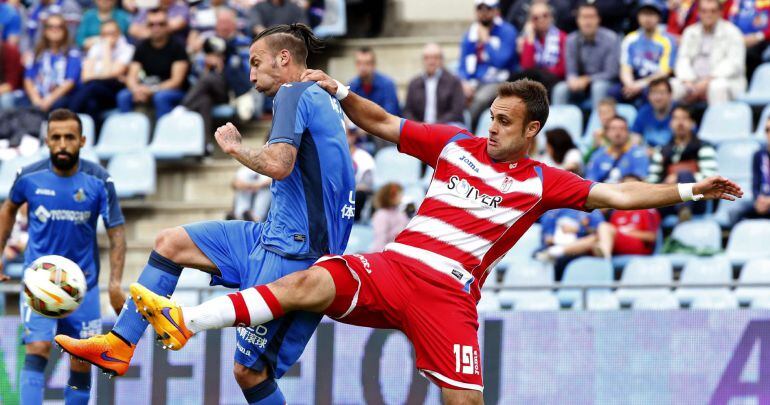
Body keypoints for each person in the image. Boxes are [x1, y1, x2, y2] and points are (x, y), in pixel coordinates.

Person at [130, 75, 742, 405]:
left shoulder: (541, 181)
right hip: (395, 267)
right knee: (304, 282)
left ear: (532, 129)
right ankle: (186, 320)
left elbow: (622, 195)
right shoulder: (453, 143)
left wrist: (691, 191)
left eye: (505, 122)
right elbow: (382, 123)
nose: (492, 128)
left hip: (448, 298)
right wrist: (339, 90)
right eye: (491, 117)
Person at [56, 24, 355, 405]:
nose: (250, 74)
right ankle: (118, 345)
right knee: (171, 243)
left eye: (255, 63)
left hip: (295, 254)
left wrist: (234, 148)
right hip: (272, 234)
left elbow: (280, 165)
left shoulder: (293, 93)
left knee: (249, 372)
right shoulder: (324, 95)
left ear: (284, 58)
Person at [0, 109, 126, 405]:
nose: (62, 144)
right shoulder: (29, 177)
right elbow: (7, 209)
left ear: (82, 140)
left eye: (69, 137)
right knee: (38, 347)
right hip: (39, 283)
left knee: (81, 358)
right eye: (56, 137)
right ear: (47, 141)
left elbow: (116, 231)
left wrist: (115, 284)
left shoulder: (99, 180)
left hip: (85, 286)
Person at [183, 8, 252, 137]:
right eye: (221, 22)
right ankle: (205, 147)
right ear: (216, 25)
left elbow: (247, 75)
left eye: (227, 22)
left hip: (233, 92)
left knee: (209, 78)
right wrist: (206, 65)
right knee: (204, 101)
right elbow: (194, 74)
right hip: (209, 92)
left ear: (235, 24)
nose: (224, 26)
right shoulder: (208, 43)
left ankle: (183, 107)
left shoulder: (244, 43)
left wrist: (222, 67)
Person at [117, 8, 189, 118]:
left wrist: (151, 90)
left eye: (161, 24)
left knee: (160, 97)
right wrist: (136, 89)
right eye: (151, 24)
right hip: (147, 88)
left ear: (167, 25)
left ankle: (165, 133)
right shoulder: (141, 47)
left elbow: (176, 82)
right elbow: (132, 76)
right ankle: (128, 132)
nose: (156, 28)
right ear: (147, 26)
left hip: (174, 91)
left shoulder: (177, 46)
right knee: (123, 96)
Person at [671, 0, 746, 105]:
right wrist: (688, 81)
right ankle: (675, 120)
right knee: (672, 85)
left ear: (720, 12)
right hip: (693, 81)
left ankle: (718, 121)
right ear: (698, 12)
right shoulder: (690, 32)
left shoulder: (733, 32)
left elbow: (734, 64)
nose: (708, 15)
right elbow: (683, 59)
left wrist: (708, 80)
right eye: (704, 11)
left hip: (724, 81)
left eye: (713, 11)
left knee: (717, 87)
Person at [458, 0, 518, 130]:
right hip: (475, 80)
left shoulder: (508, 31)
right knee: (454, 93)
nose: (484, 13)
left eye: (488, 9)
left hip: (500, 80)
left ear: (496, 10)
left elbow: (501, 61)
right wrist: (464, 82)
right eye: (480, 9)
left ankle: (466, 132)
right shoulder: (470, 34)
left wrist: (486, 41)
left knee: (479, 99)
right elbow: (462, 64)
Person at [552, 2, 619, 108]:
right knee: (560, 89)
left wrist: (588, 79)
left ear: (598, 19)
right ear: (577, 20)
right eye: (584, 17)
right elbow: (571, 71)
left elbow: (611, 72)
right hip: (580, 84)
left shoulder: (611, 39)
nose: (588, 22)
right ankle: (557, 123)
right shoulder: (571, 39)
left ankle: (597, 123)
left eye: (591, 17)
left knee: (598, 87)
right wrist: (573, 80)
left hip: (604, 82)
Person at [68, 19, 134, 120]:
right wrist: (104, 75)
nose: (109, 37)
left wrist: (107, 49)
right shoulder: (96, 47)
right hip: (93, 90)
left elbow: (109, 75)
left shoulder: (128, 49)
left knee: (92, 86)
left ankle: (68, 118)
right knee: (91, 104)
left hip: (113, 91)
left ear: (119, 33)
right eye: (105, 34)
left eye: (112, 33)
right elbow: (85, 77)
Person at [617, 1, 677, 104]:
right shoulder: (630, 39)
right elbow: (625, 67)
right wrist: (630, 84)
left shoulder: (668, 40)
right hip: (634, 79)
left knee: (651, 94)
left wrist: (640, 85)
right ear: (638, 17)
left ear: (659, 17)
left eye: (651, 14)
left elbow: (664, 72)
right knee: (614, 92)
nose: (647, 18)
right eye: (644, 14)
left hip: (656, 81)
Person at [23, 14, 81, 113]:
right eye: (50, 27)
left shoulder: (72, 54)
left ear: (65, 31)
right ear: (45, 30)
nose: (55, 30)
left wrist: (48, 100)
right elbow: (28, 79)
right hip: (37, 96)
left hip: (59, 98)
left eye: (59, 27)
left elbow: (69, 82)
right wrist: (36, 100)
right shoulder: (36, 53)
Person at [596, 176, 661, 258]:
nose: (630, 189)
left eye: (633, 186)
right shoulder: (617, 212)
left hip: (639, 248)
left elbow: (652, 237)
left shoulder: (647, 209)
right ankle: (575, 250)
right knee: (594, 239)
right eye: (626, 186)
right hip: (617, 245)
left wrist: (629, 233)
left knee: (604, 227)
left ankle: (605, 257)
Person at [403, 43, 465, 126]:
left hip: (446, 126)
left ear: (442, 60)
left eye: (435, 57)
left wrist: (434, 126)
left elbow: (456, 112)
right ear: (423, 60)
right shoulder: (414, 83)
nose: (431, 61)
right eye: (427, 58)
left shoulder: (454, 81)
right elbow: (408, 111)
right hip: (419, 127)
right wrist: (419, 126)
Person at [535, 208, 606, 279]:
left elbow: (598, 231)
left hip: (581, 249)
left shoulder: (591, 210)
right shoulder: (555, 209)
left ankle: (555, 251)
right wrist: (553, 238)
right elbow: (547, 235)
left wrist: (579, 229)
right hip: (554, 245)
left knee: (592, 240)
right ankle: (554, 252)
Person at [514, 0, 566, 94]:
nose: (541, 20)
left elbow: (563, 69)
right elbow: (527, 68)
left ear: (551, 17)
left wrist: (541, 73)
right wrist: (530, 40)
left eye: (545, 15)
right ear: (530, 21)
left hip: (555, 81)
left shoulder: (562, 37)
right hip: (534, 85)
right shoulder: (529, 40)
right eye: (535, 18)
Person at [586, 115, 650, 183]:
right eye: (613, 129)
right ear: (606, 133)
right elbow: (590, 181)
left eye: (622, 129)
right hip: (601, 192)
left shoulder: (638, 154)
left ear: (628, 132)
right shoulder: (598, 154)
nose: (618, 133)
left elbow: (639, 179)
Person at [348, 47, 400, 116]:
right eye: (359, 63)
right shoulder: (352, 86)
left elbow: (390, 115)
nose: (362, 67)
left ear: (374, 65)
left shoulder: (387, 85)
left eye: (367, 63)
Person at [724, 0, 770, 78]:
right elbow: (723, 21)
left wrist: (758, 36)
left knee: (749, 54)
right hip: (734, 39)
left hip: (760, 40)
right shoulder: (732, 2)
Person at [631, 77, 674, 148]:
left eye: (662, 93)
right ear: (648, 96)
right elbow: (635, 137)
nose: (657, 98)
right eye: (654, 93)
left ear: (670, 95)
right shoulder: (643, 112)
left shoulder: (679, 112)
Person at [347, 121, 375, 221]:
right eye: (344, 132)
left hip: (354, 200)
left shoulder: (364, 157)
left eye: (351, 133)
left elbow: (367, 186)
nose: (348, 136)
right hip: (333, 198)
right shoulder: (329, 156)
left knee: (359, 195)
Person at [370, 182, 410, 252]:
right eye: (399, 194)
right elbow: (380, 239)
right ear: (391, 196)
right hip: (384, 253)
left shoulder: (401, 214)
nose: (401, 197)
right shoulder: (381, 215)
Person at [749, 117, 770, 218]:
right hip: (762, 201)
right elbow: (755, 185)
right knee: (735, 213)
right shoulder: (758, 155)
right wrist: (759, 199)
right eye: (767, 130)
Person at [0, 38, 23, 110]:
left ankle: (8, 121)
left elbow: (10, 85)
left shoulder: (10, 51)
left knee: (5, 99)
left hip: (14, 92)